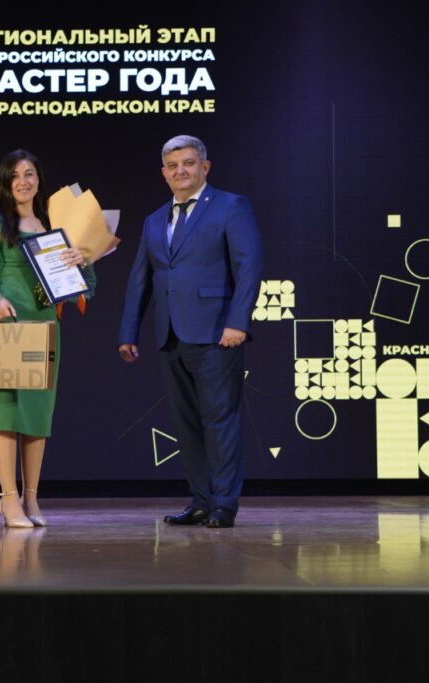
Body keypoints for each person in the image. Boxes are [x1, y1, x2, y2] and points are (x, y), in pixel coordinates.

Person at [118, 135, 263, 529]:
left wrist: (238, 321)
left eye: (188, 163)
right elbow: (140, 279)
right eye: (173, 166)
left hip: (217, 332)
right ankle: (201, 500)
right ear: (164, 173)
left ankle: (223, 504)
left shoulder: (231, 206)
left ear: (205, 167)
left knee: (220, 421)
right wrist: (128, 331)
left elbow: (249, 267)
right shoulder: (154, 219)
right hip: (170, 334)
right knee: (186, 423)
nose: (180, 171)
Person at [0, 150, 95, 527]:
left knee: (36, 414)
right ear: (5, 183)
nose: (22, 181)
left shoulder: (57, 227)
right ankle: (8, 500)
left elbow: (83, 286)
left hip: (44, 326)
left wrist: (81, 261)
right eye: (14, 175)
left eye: (28, 174)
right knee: (5, 413)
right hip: (6, 326)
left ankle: (32, 499)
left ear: (39, 179)